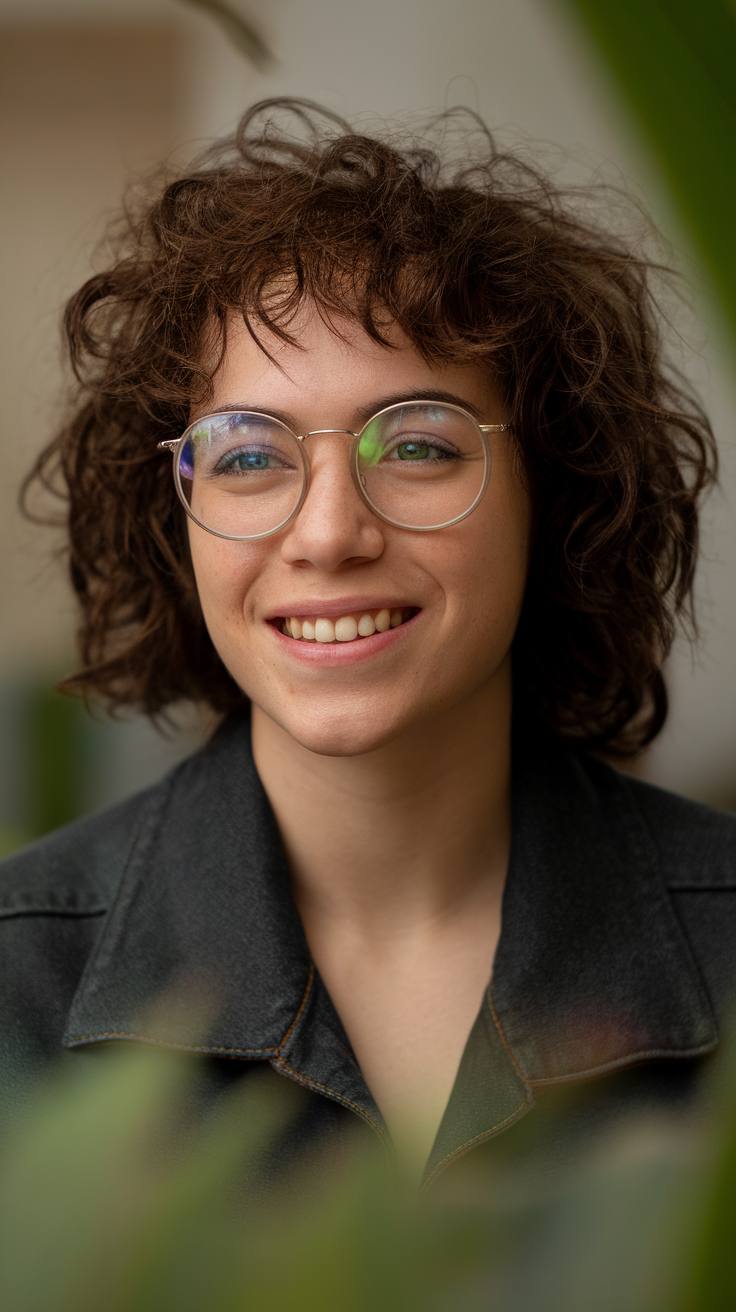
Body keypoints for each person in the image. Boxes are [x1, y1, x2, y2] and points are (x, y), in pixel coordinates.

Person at [1, 99, 734, 1188]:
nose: (331, 530)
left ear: (558, 491)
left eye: (420, 445)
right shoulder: (18, 978)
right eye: (248, 457)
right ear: (177, 520)